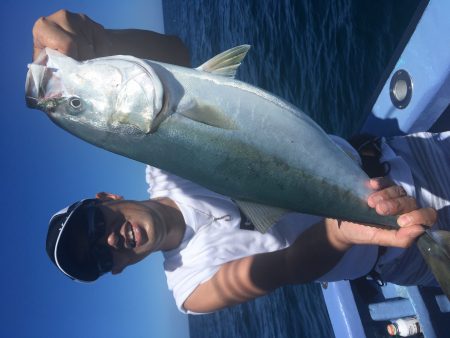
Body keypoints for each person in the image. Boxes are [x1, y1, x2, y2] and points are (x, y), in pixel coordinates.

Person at [36, 10, 446, 314]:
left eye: (94, 224)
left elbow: (174, 55)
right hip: (400, 249)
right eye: (101, 258)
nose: (109, 241)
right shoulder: (189, 286)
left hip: (403, 157)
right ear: (118, 269)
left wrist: (99, 42)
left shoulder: (161, 163)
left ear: (107, 196)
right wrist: (344, 232)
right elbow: (287, 266)